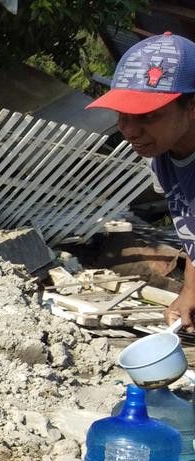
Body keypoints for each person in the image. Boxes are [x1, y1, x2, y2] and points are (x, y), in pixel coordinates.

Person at [88, 32, 195, 327]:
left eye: (147, 115)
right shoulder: (161, 155)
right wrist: (189, 290)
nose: (130, 130)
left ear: (192, 108)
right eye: (123, 114)